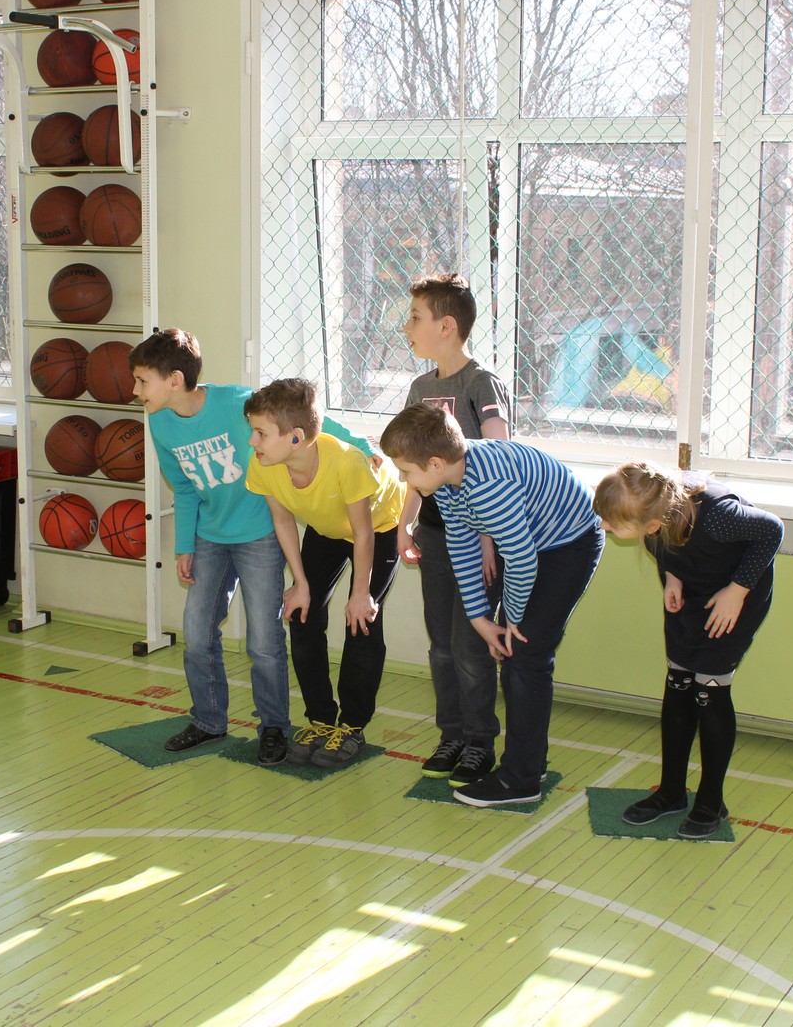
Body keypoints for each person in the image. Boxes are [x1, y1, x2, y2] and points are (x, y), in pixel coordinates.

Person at [130, 331, 374, 765]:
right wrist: (185, 544)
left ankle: (274, 727)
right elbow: (183, 486)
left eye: (142, 381)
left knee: (263, 641)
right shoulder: (160, 421)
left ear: (174, 380)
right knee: (196, 635)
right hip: (210, 536)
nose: (135, 390)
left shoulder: (234, 403)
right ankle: (209, 721)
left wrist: (364, 447)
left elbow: (310, 425)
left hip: (260, 534)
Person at [379, 403, 602, 807]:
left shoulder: (487, 488)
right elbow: (462, 544)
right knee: (520, 654)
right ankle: (528, 764)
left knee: (524, 654)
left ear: (434, 463)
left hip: (570, 542)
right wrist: (480, 618)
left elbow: (521, 560)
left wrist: (512, 620)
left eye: (406, 471)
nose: (402, 479)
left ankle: (521, 781)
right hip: (536, 543)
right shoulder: (448, 479)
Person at [592, 462, 783, 839]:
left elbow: (772, 530)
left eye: (611, 524)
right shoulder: (654, 512)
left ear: (651, 521)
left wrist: (736, 592)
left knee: (709, 691)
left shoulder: (717, 518)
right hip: (692, 585)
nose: (604, 527)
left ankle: (711, 801)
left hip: (735, 595)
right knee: (678, 682)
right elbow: (660, 544)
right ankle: (671, 792)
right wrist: (672, 577)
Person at [243, 379, 406, 769]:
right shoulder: (264, 464)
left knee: (361, 621)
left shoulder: (346, 462)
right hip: (327, 527)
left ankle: (352, 725)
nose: (252, 441)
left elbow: (363, 533)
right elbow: (283, 521)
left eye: (261, 433)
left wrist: (361, 593)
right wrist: (299, 584)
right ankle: (320, 718)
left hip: (378, 527)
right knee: (303, 614)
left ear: (295, 438)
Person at [397, 273, 512, 789]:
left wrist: (489, 539)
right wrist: (405, 523)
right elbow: (412, 465)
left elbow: (500, 461)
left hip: (480, 536)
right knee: (441, 644)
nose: (407, 328)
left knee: (470, 645)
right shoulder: (420, 389)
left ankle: (480, 741)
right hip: (436, 535)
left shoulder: (480, 384)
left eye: (415, 318)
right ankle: (452, 736)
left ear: (446, 326)